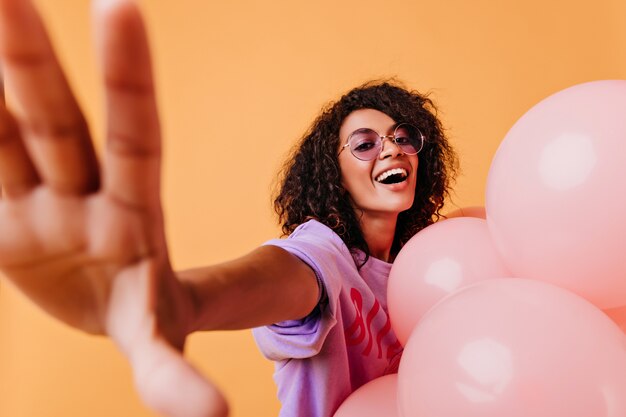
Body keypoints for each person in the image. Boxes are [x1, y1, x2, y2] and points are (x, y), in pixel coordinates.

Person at [0, 0, 457, 416]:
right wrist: (185, 302)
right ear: (332, 174)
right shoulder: (325, 256)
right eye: (364, 144)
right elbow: (283, 274)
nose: (392, 150)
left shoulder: (430, 267)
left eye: (403, 138)